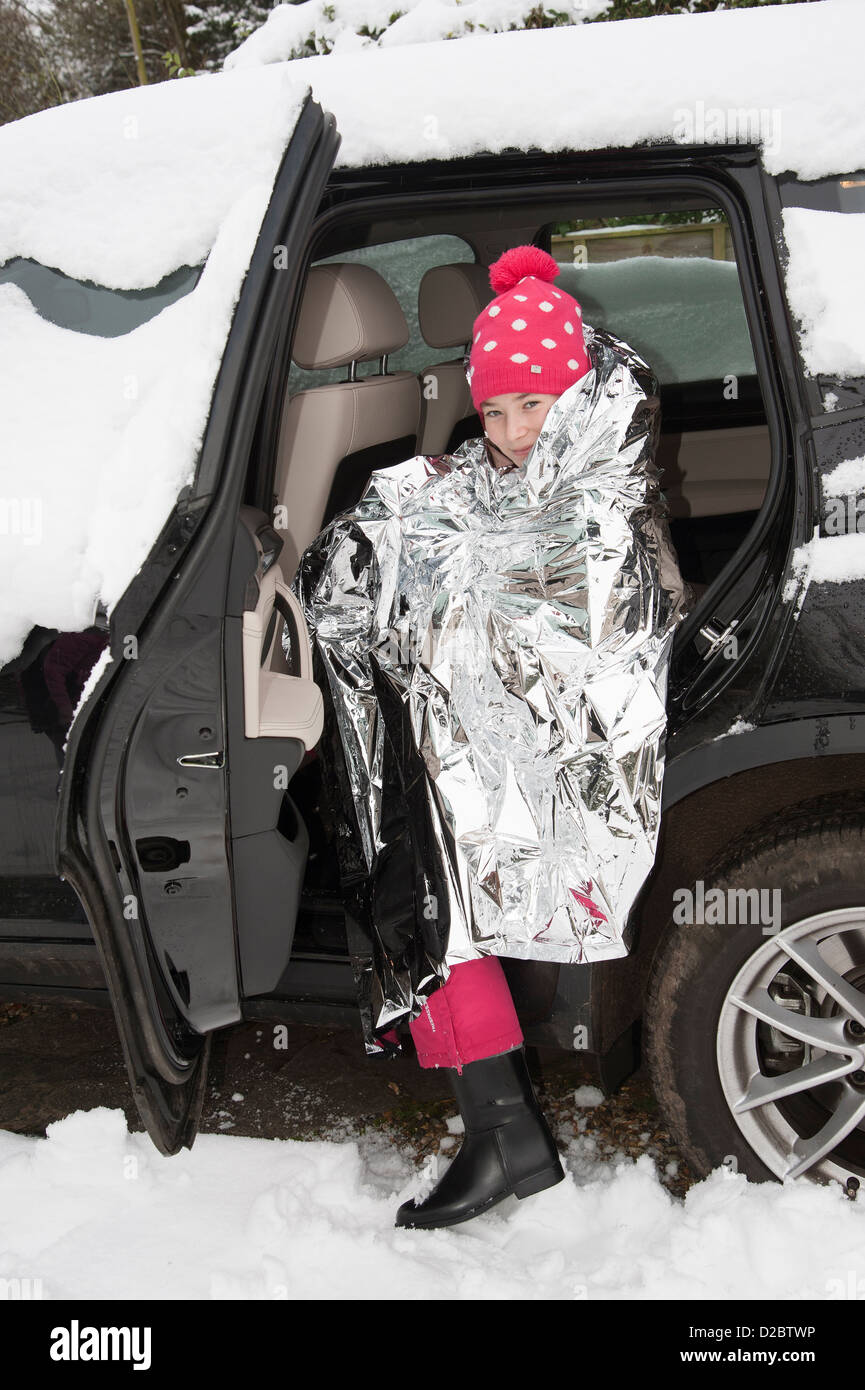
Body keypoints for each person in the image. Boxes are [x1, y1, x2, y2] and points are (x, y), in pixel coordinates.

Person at [295, 244, 687, 1232]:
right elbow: (462, 508)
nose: (509, 433)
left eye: (530, 408)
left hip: (558, 763)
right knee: (418, 879)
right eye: (495, 410)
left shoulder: (600, 488)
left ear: (570, 395)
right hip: (474, 740)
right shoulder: (506, 462)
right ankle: (503, 1130)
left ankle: (504, 1134)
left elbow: (565, 620)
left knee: (426, 880)